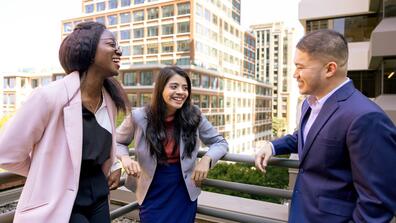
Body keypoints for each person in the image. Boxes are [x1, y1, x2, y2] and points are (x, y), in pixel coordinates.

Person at [255, 29, 396, 222]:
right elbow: (305, 138)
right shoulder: (308, 103)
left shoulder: (367, 117)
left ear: (329, 69)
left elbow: (377, 204)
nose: (295, 74)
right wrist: (272, 146)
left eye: (300, 67)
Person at [0, 21, 129, 223]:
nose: (119, 51)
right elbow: (7, 153)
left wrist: (113, 165)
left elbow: (102, 143)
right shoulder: (48, 97)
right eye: (111, 44)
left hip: (99, 196)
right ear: (90, 50)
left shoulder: (110, 100)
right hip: (60, 201)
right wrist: (50, 173)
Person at [116, 66, 228, 222]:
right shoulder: (138, 116)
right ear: (161, 88)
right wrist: (125, 159)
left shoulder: (194, 115)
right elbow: (117, 141)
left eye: (185, 88)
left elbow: (220, 142)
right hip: (151, 189)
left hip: (184, 190)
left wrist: (206, 159)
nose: (181, 92)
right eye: (174, 86)